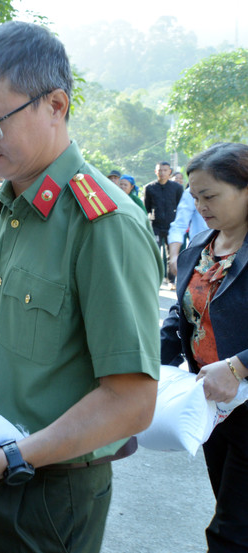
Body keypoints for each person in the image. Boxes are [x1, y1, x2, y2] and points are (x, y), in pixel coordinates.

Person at [0, 21, 161, 553]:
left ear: (55, 105)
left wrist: (7, 459)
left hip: (49, 488)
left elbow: (131, 400)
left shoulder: (103, 223)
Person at [160, 142, 248, 553]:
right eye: (194, 197)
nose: (200, 205)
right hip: (214, 407)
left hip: (241, 397)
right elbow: (182, 318)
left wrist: (238, 367)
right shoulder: (199, 247)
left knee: (229, 531)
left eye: (210, 195)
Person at [144, 161, 184, 288]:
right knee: (154, 252)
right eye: (160, 170)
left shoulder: (177, 188)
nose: (162, 173)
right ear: (156, 172)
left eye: (165, 170)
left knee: (170, 254)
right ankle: (155, 279)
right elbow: (147, 207)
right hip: (155, 225)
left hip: (171, 225)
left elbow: (180, 207)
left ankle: (171, 280)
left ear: (169, 172)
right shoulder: (149, 188)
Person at [167, 187, 209, 277]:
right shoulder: (192, 191)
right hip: (199, 255)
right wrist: (174, 256)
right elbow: (179, 225)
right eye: (197, 199)